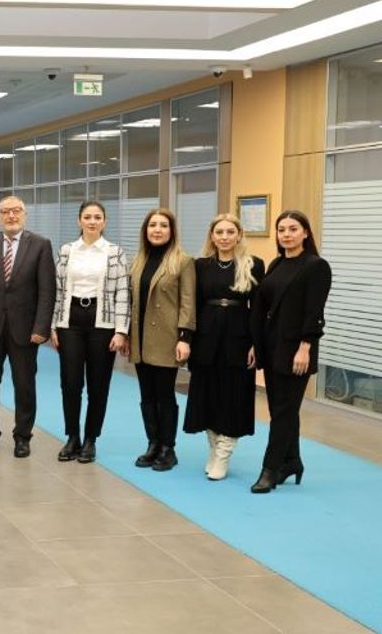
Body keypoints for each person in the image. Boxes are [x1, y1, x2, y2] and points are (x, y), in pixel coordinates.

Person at [250, 210, 331, 494]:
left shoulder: (316, 266)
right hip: (272, 347)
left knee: (283, 412)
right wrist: (256, 342)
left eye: (293, 229)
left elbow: (314, 312)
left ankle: (270, 469)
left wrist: (305, 347)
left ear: (305, 233)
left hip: (297, 350)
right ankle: (292, 461)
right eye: (281, 229)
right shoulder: (277, 264)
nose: (286, 234)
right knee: (281, 409)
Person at [0, 195, 55, 458]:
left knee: (24, 385)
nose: (11, 216)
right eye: (6, 211)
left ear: (24, 215)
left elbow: (47, 290)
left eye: (16, 211)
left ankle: (22, 437)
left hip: (26, 330)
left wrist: (41, 327)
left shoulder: (40, 245)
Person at [185, 213, 265, 481]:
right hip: (206, 336)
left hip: (239, 336)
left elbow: (259, 308)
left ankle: (224, 454)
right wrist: (187, 338)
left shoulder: (253, 264)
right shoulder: (200, 265)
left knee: (234, 395)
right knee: (207, 394)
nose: (225, 237)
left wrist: (256, 343)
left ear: (239, 235)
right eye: (219, 232)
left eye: (230, 232)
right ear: (212, 236)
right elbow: (192, 304)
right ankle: (213, 447)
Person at [50, 201, 130, 464]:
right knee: (70, 383)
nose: (92, 221)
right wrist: (54, 325)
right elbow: (58, 290)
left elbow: (123, 293)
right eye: (87, 217)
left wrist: (121, 331)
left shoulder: (114, 252)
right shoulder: (67, 250)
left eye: (97, 217)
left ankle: (90, 440)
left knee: (98, 385)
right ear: (79, 221)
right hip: (70, 321)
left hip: (102, 323)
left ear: (104, 222)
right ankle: (72, 437)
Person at [128, 207, 196, 472]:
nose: (157, 230)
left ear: (172, 231)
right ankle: (153, 443)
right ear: (145, 230)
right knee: (146, 395)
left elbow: (188, 303)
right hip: (140, 338)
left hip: (167, 338)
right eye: (153, 225)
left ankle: (168, 448)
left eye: (163, 225)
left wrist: (185, 337)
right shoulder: (138, 261)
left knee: (164, 394)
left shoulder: (183, 261)